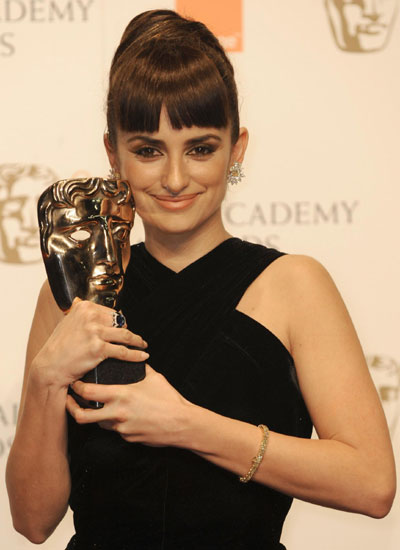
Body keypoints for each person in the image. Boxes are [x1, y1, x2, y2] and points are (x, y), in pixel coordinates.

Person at [6, 9, 396, 550]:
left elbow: (372, 485)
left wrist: (185, 424)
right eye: (147, 150)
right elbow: (31, 521)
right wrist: (43, 379)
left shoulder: (293, 285)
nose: (173, 179)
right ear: (112, 154)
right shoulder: (73, 296)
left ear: (236, 148)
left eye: (200, 148)